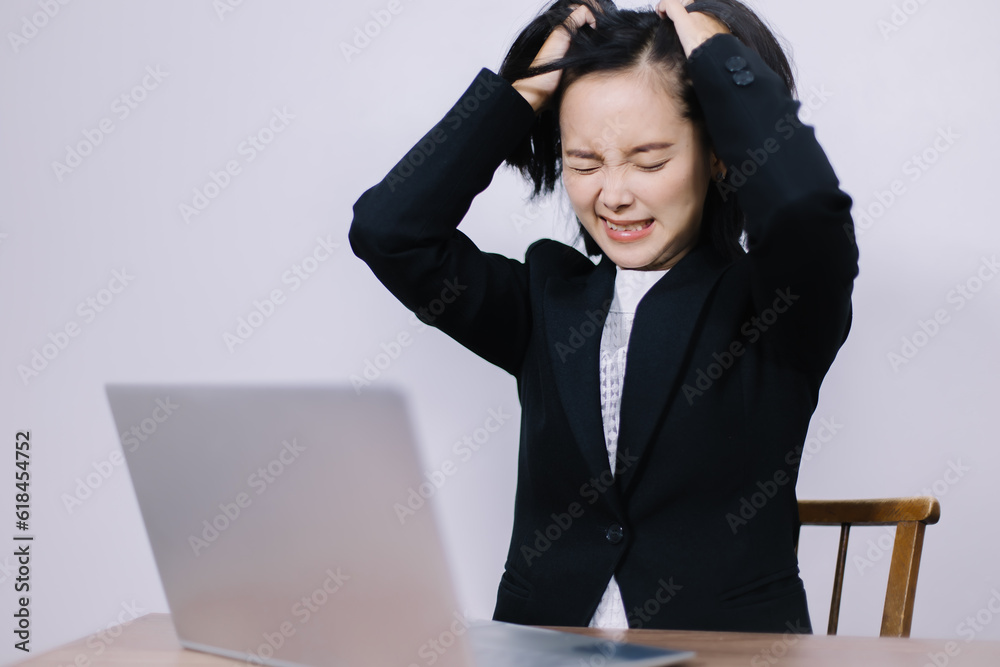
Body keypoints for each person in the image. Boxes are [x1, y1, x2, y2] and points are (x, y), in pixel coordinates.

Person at [349, 0, 858, 633]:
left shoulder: (777, 309)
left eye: (649, 162)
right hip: (546, 650)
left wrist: (721, 57)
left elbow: (808, 211)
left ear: (721, 158)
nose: (613, 194)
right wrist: (529, 86)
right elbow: (389, 231)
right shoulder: (545, 302)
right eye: (584, 163)